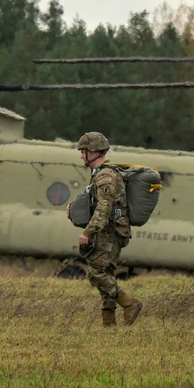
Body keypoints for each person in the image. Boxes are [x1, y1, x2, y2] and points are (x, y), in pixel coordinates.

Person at [69, 131, 142, 327]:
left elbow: (104, 208)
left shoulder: (106, 176)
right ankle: (109, 323)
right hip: (110, 230)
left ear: (93, 152)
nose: (81, 156)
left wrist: (87, 232)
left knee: (96, 274)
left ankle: (129, 303)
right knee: (106, 275)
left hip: (109, 232)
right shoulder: (101, 175)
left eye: (83, 151)